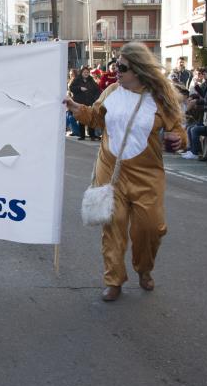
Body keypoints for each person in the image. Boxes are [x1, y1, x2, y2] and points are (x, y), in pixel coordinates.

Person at [64, 42, 186, 302]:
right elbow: (95, 118)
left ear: (139, 71)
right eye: (115, 66)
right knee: (113, 226)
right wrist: (77, 109)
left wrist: (178, 138)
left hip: (147, 175)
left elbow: (178, 129)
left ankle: (144, 268)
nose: (115, 71)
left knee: (150, 228)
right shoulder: (110, 92)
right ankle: (113, 279)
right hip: (111, 171)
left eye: (122, 67)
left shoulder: (159, 99)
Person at [69, 66, 101, 140]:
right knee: (82, 119)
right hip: (80, 102)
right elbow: (71, 88)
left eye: (87, 72)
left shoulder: (91, 80)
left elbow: (97, 90)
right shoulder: (77, 79)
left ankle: (92, 135)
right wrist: (80, 88)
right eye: (85, 72)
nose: (86, 74)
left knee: (91, 118)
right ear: (81, 73)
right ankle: (82, 135)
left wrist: (96, 99)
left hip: (90, 102)